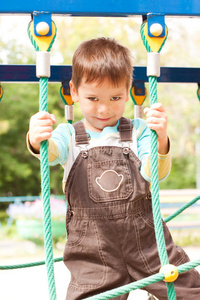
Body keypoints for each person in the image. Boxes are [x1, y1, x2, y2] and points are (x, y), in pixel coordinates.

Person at [27, 37, 200, 300]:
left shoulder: (139, 131)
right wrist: (37, 138)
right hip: (93, 255)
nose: (104, 108)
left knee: (189, 292)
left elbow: (155, 173)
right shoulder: (69, 135)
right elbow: (50, 153)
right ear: (74, 91)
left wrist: (161, 140)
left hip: (149, 246)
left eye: (115, 97)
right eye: (93, 98)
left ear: (129, 90)